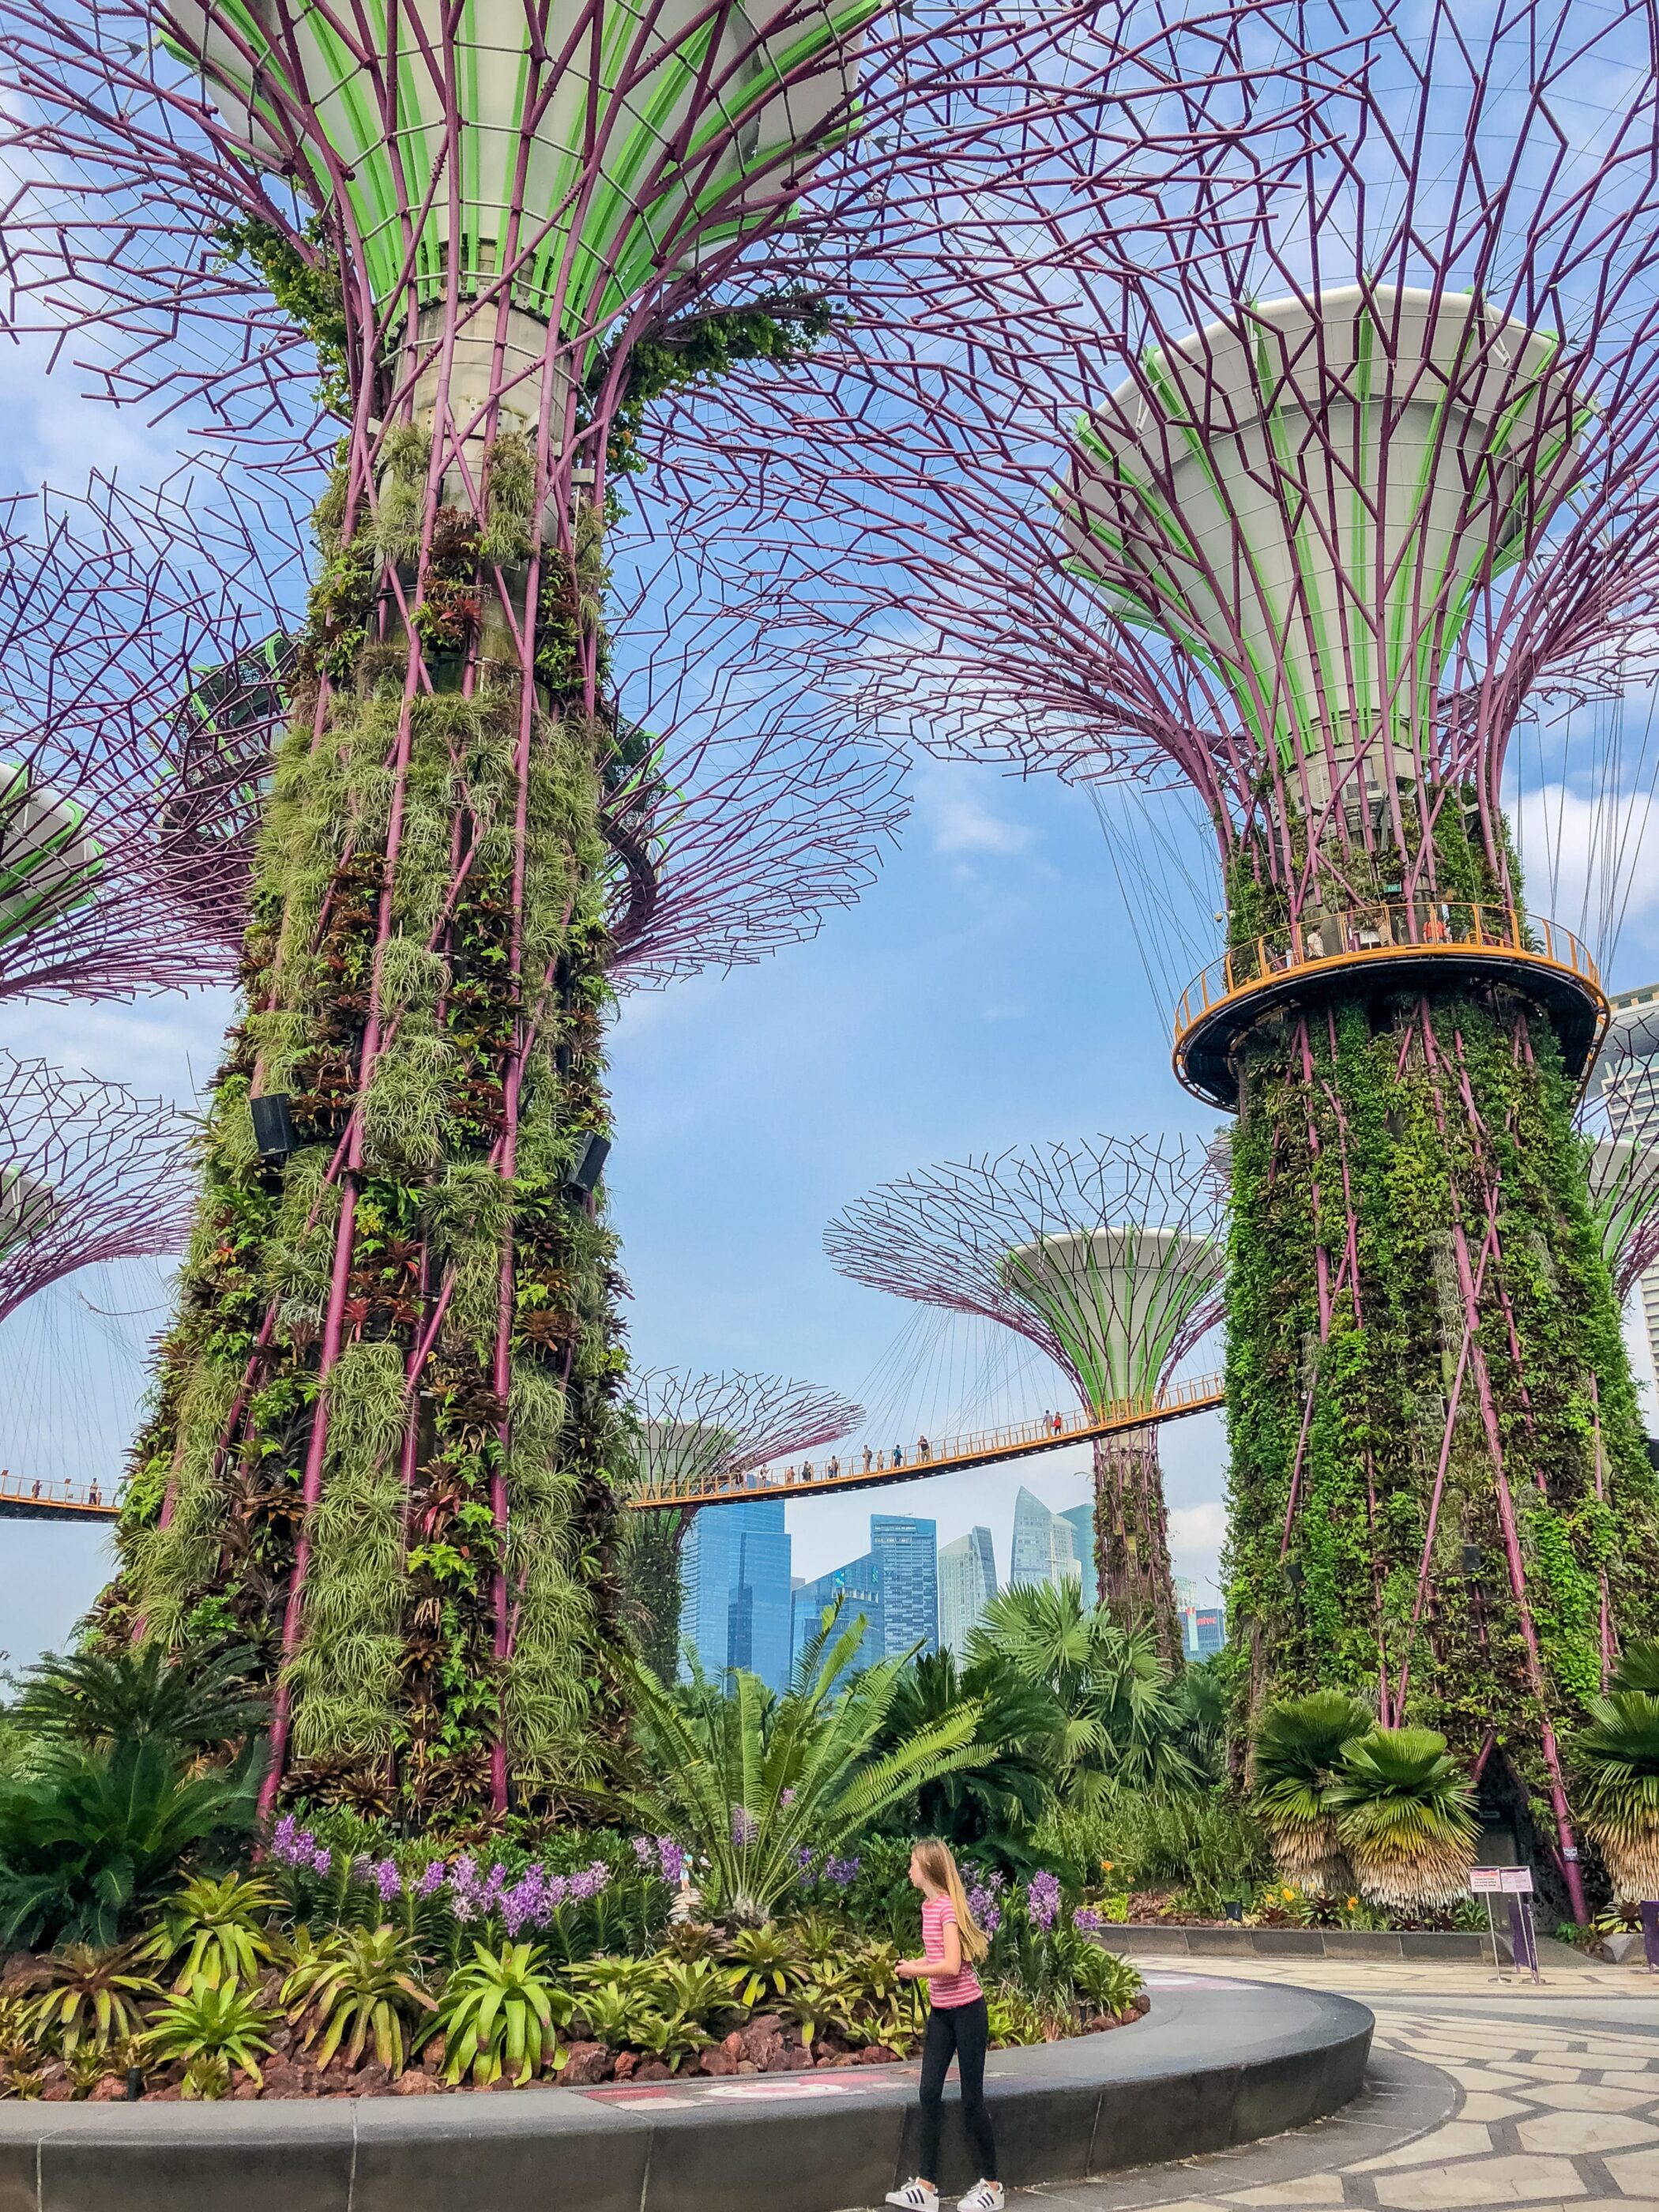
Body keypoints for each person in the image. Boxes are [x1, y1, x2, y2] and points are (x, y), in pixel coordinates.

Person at [887, 1838, 1002, 2211]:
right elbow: (937, 1956)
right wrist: (914, 1965)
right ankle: (926, 2185)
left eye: (913, 1864)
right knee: (928, 2093)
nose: (909, 1870)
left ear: (929, 1869)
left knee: (972, 2099)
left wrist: (915, 1970)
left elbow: (952, 1965)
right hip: (941, 2013)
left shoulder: (947, 1910)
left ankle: (993, 2185)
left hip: (968, 2012)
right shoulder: (928, 1907)